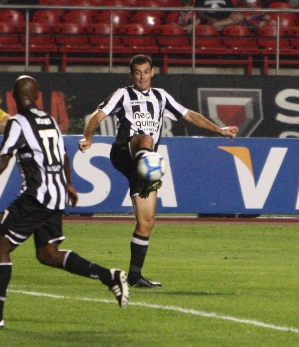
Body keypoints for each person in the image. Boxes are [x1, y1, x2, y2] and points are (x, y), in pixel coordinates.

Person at [0, 75, 129, 329]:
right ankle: (109, 276)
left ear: (14, 97)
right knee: (48, 254)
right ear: (37, 96)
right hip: (56, 195)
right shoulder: (49, 120)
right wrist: (68, 184)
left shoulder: (18, 122)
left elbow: (3, 159)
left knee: (0, 247)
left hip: (36, 197)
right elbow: (63, 155)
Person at [78, 55, 238, 288]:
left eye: (146, 71)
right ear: (131, 74)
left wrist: (219, 129)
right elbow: (97, 115)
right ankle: (148, 165)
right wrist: (88, 137)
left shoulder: (161, 97)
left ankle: (134, 275)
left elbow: (189, 115)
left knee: (147, 222)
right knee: (145, 137)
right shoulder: (122, 94)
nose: (142, 76)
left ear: (152, 72)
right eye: (137, 72)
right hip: (124, 152)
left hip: (142, 168)